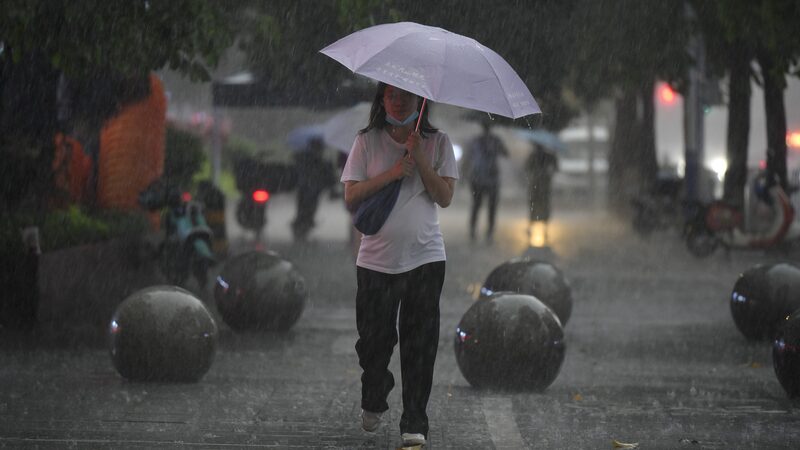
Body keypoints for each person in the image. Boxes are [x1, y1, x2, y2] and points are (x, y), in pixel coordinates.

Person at [340, 82, 458, 448]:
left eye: (405, 95)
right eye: (391, 94)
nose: (398, 100)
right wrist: (393, 172)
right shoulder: (367, 141)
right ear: (382, 99)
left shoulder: (438, 143)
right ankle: (375, 392)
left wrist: (420, 157)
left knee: (419, 342)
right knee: (374, 342)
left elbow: (445, 197)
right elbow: (351, 196)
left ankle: (415, 421)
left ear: (420, 100)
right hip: (375, 261)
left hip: (425, 258)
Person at [462, 120, 508, 243]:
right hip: (480, 179)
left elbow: (505, 153)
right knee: (479, 206)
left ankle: (486, 233)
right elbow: (468, 158)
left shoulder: (493, 141)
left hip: (488, 179)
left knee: (487, 207)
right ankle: (476, 232)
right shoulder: (479, 141)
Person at [291, 137, 336, 241]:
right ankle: (304, 222)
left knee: (303, 206)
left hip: (305, 188)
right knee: (308, 207)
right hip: (312, 189)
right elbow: (330, 177)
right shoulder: (320, 161)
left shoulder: (303, 158)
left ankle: (302, 222)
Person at [525, 143, 558, 243]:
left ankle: (532, 226)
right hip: (544, 184)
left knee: (534, 204)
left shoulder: (533, 156)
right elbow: (556, 168)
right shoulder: (549, 156)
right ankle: (545, 228)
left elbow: (526, 168)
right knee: (543, 205)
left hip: (535, 184)